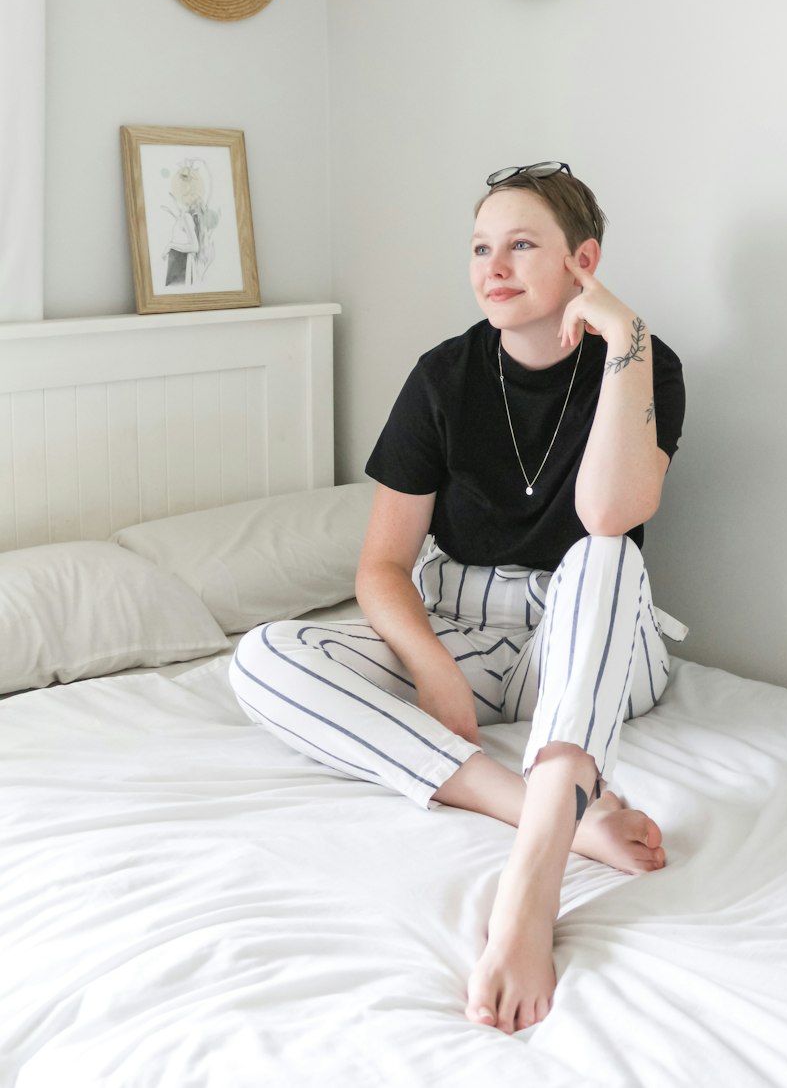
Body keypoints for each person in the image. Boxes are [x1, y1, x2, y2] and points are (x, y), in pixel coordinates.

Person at [230, 162, 685, 1034]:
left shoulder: (642, 363)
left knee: (605, 554)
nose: (494, 266)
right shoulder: (443, 376)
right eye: (481, 247)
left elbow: (610, 513)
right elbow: (381, 567)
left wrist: (622, 335)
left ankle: (533, 879)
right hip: (466, 630)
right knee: (264, 657)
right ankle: (556, 816)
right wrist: (432, 667)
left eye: (522, 244)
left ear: (582, 261)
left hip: (593, 635)